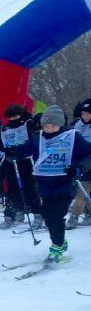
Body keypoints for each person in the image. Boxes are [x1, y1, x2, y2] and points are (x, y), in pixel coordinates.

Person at [13, 105, 91, 262]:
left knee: (56, 215)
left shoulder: (72, 136)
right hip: (44, 184)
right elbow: (24, 149)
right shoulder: (38, 138)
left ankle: (56, 247)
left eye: (53, 126)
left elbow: (89, 154)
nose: (49, 129)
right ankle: (60, 240)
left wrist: (78, 168)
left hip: (65, 183)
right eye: (47, 125)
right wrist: (13, 152)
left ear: (60, 124)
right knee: (48, 217)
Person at [0, 104, 43, 228]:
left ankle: (38, 215)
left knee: (29, 189)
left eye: (15, 117)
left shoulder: (28, 124)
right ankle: (12, 215)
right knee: (12, 190)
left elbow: (34, 142)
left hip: (26, 162)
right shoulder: (5, 129)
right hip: (10, 162)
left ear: (21, 115)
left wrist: (19, 150)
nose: (13, 120)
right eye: (10, 118)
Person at [68, 97, 91, 228]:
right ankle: (81, 215)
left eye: (88, 114)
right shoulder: (78, 125)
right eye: (83, 113)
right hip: (83, 162)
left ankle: (74, 216)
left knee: (83, 190)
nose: (85, 116)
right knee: (83, 189)